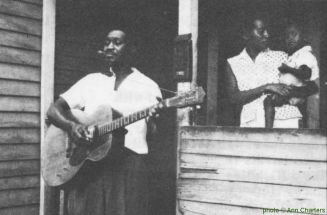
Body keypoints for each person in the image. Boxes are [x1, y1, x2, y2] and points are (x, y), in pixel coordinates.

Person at [47, 28, 162, 215]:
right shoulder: (92, 81)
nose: (110, 47)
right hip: (92, 165)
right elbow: (54, 110)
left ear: (131, 48)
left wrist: (154, 120)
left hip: (129, 167)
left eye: (117, 43)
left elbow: (152, 134)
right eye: (107, 43)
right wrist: (72, 126)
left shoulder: (148, 86)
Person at [226, 17, 317, 128]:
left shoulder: (281, 57)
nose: (267, 34)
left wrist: (285, 92)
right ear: (246, 34)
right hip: (251, 123)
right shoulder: (233, 63)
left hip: (287, 121)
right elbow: (233, 98)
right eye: (261, 31)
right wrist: (266, 87)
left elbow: (311, 87)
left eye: (267, 31)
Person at [264, 22, 319, 128]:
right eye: (287, 36)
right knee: (271, 101)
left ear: (304, 37)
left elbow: (306, 74)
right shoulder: (293, 55)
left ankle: (268, 130)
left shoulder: (305, 54)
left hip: (294, 92)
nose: (290, 38)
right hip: (290, 94)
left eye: (294, 34)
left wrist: (287, 69)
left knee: (270, 101)